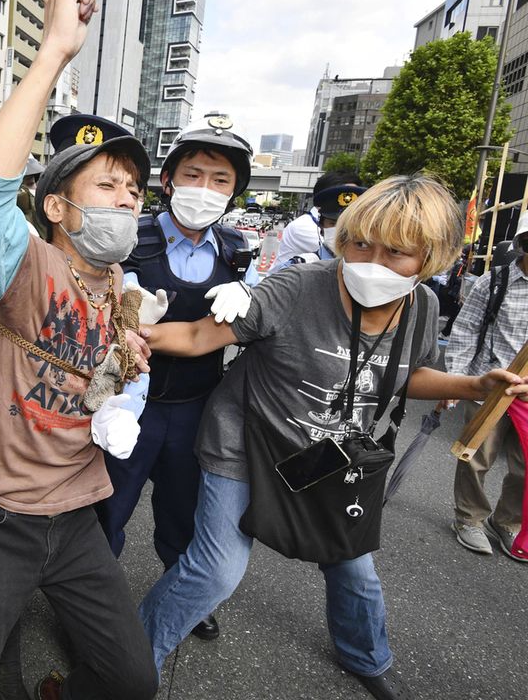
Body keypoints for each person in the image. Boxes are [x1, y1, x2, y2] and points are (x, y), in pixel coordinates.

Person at [134, 174, 528, 700]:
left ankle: (366, 656)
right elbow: (200, 335)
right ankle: (131, 660)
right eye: (361, 242)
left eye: (397, 253)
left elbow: (407, 374)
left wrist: (474, 385)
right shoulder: (299, 287)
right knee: (215, 571)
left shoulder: (425, 307)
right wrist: (130, 328)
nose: (372, 262)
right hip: (245, 444)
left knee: (354, 570)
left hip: (328, 457)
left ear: (432, 258)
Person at [0, 0, 159, 700]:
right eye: (105, 186)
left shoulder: (119, 288)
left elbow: (121, 372)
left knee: (131, 680)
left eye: (133, 190)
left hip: (78, 516)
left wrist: (129, 393)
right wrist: (55, 50)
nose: (125, 199)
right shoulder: (28, 265)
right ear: (57, 206)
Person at [97, 115, 254, 643]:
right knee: (107, 506)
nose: (203, 190)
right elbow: (109, 312)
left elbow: (253, 324)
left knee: (182, 509)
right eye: (192, 174)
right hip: (127, 400)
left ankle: (183, 594)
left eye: (219, 181)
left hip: (196, 405)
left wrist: (249, 298)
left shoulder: (236, 251)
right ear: (168, 180)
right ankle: (92, 604)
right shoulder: (131, 236)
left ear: (234, 193)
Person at [446, 211, 528, 560]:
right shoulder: (496, 282)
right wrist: (455, 382)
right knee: (477, 458)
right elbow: (465, 331)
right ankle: (470, 518)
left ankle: (508, 522)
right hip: (490, 386)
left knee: (525, 466)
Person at [270, 171, 363, 272]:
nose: (343, 231)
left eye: (351, 223)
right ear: (321, 227)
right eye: (334, 223)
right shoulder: (303, 227)